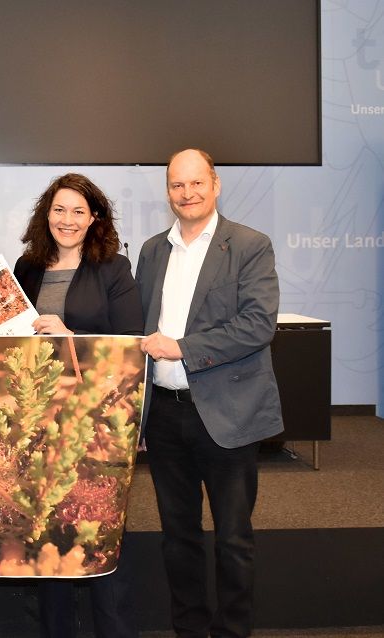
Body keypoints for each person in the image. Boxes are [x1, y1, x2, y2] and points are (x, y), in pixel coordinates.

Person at [135, 148, 284, 638]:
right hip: (164, 418)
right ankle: (190, 630)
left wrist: (183, 347)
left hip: (228, 415)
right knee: (178, 539)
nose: (187, 193)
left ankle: (233, 632)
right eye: (177, 185)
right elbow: (136, 328)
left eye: (196, 183)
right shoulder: (153, 250)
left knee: (234, 540)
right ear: (168, 191)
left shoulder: (249, 245)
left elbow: (258, 326)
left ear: (215, 184)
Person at [5, 173, 143, 638]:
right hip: (39, 417)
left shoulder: (113, 270)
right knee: (47, 533)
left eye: (78, 211)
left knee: (97, 532)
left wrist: (71, 337)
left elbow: (129, 344)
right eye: (59, 210)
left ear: (95, 218)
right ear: (47, 215)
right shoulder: (26, 268)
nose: (68, 220)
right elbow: (9, 338)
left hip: (97, 420)